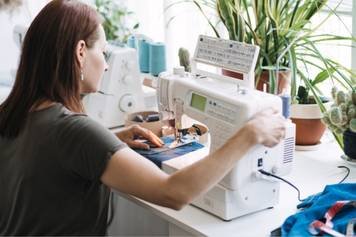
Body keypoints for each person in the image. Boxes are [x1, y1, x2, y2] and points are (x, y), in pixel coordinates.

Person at [0, 0, 286, 235]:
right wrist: (249, 135)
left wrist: (109, 141)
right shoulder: (74, 132)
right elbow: (173, 193)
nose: (107, 66)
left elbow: (48, 157)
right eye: (103, 51)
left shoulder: (12, 113)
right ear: (80, 52)